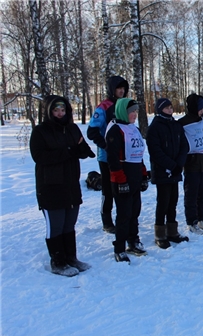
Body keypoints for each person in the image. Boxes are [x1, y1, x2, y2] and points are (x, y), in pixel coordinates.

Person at [30, 95, 95, 276]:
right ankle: (58, 262)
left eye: (63, 110)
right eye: (56, 110)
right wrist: (68, 151)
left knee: (69, 224)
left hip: (71, 183)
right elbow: (40, 157)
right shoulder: (40, 131)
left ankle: (71, 258)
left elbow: (84, 150)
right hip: (51, 185)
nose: (60, 114)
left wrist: (79, 150)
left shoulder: (72, 128)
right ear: (50, 112)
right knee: (56, 225)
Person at [105, 98, 148, 263]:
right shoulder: (115, 130)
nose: (135, 115)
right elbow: (113, 158)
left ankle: (133, 240)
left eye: (136, 111)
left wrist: (143, 175)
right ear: (123, 111)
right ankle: (119, 247)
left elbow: (139, 154)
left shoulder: (134, 129)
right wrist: (120, 179)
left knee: (135, 211)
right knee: (124, 214)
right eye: (132, 112)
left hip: (135, 175)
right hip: (122, 177)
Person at [87, 75, 129, 234]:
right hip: (106, 157)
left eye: (123, 88)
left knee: (122, 187)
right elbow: (92, 131)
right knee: (108, 188)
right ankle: (107, 220)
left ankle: (123, 217)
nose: (121, 91)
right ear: (112, 89)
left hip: (124, 155)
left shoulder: (125, 105)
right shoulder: (103, 107)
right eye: (119, 88)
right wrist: (106, 145)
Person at [146, 98, 189, 249]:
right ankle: (160, 233)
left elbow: (184, 145)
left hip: (175, 170)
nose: (170, 110)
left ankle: (172, 232)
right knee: (163, 202)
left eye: (171, 107)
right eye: (166, 108)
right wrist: (171, 165)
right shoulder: (155, 127)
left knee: (173, 202)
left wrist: (179, 164)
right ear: (160, 109)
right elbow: (155, 152)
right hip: (162, 172)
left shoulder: (176, 125)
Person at [179, 94, 203, 235]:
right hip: (191, 164)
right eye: (200, 108)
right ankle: (191, 221)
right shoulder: (182, 123)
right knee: (191, 194)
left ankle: (202, 218)